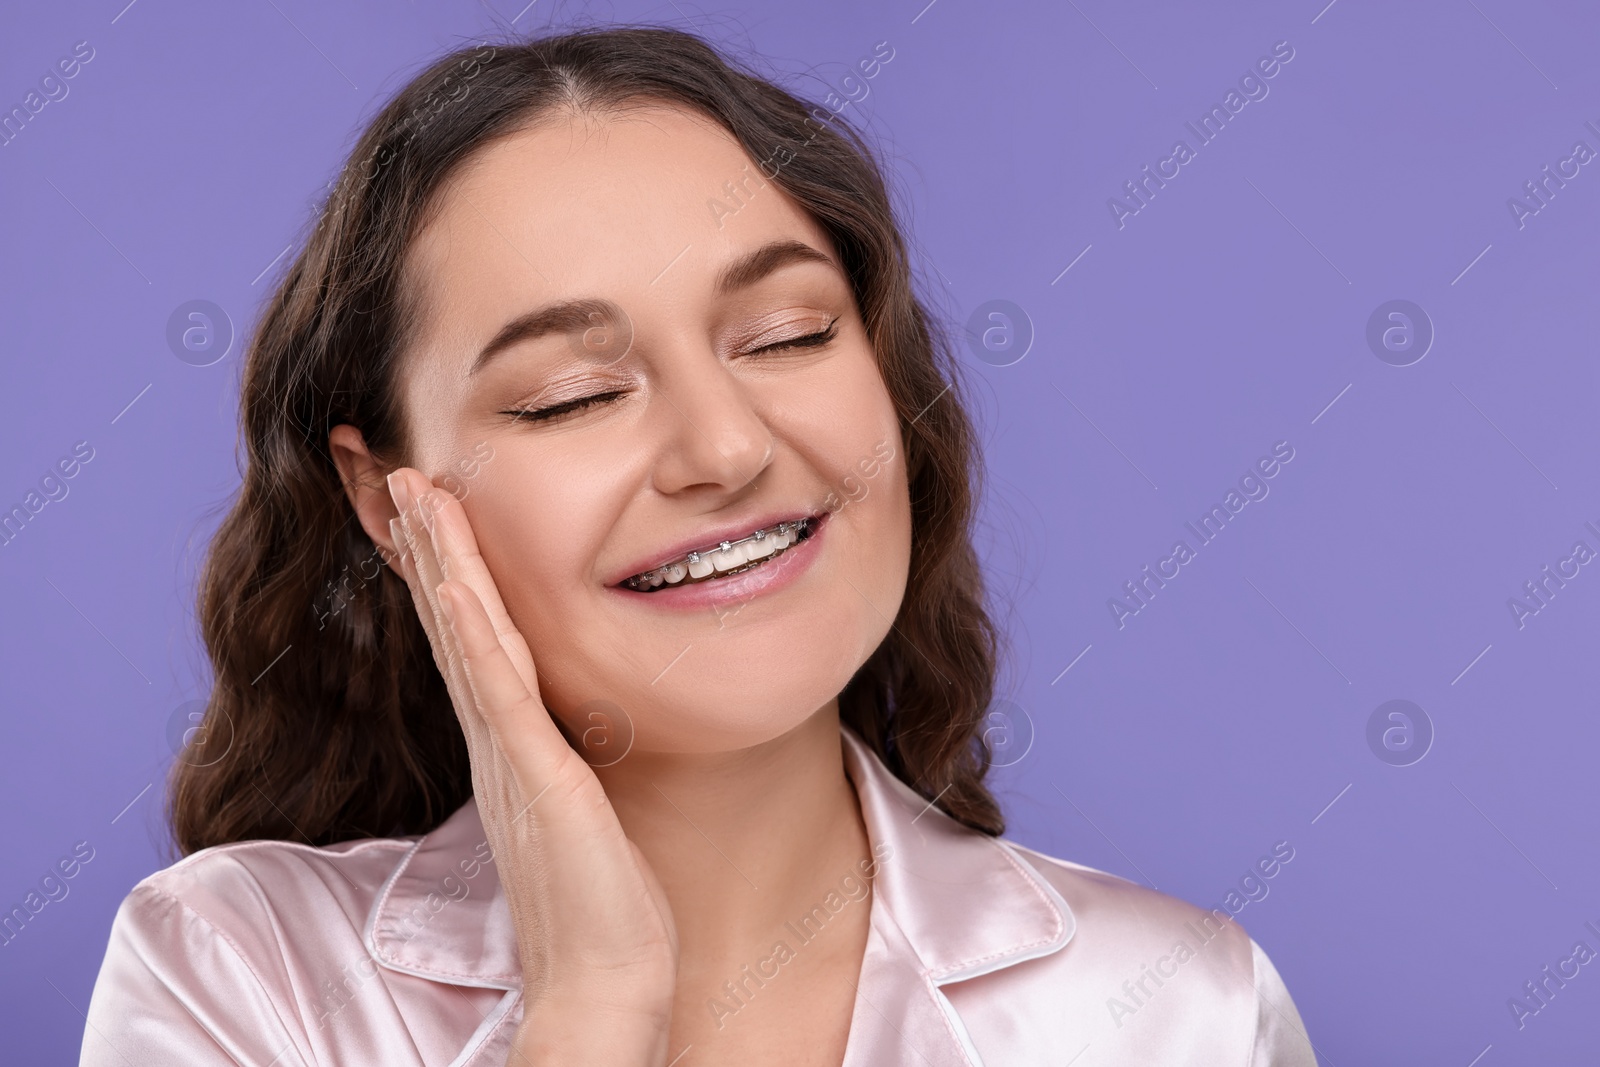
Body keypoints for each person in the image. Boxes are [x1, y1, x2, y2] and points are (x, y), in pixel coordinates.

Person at [79, 25, 1318, 1067]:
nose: (724, 448)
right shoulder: (241, 978)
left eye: (784, 333)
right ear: (384, 502)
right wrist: (591, 1001)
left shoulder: (1173, 1010)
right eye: (569, 394)